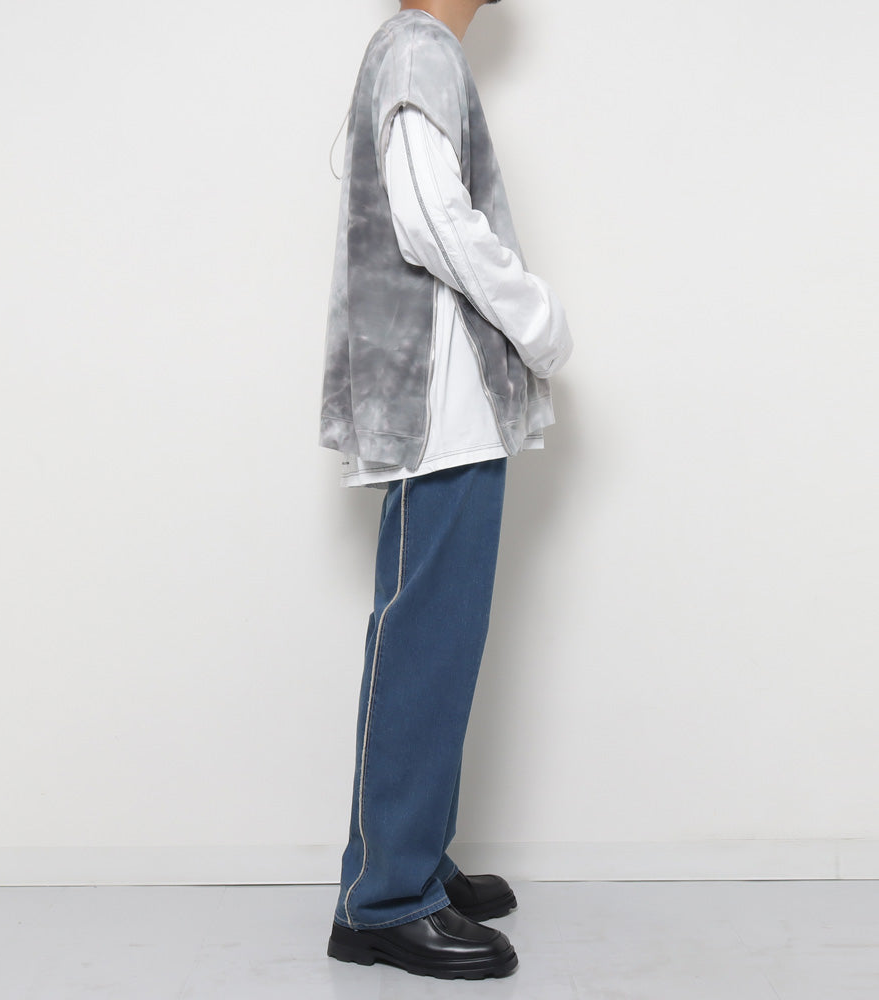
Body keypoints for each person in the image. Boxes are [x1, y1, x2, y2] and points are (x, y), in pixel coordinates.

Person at [318, 0, 573, 981]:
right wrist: (538, 319)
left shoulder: (413, 52)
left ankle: (403, 857)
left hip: (437, 397)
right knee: (427, 638)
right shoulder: (420, 50)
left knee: (428, 633)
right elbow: (430, 217)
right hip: (441, 399)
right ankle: (386, 899)